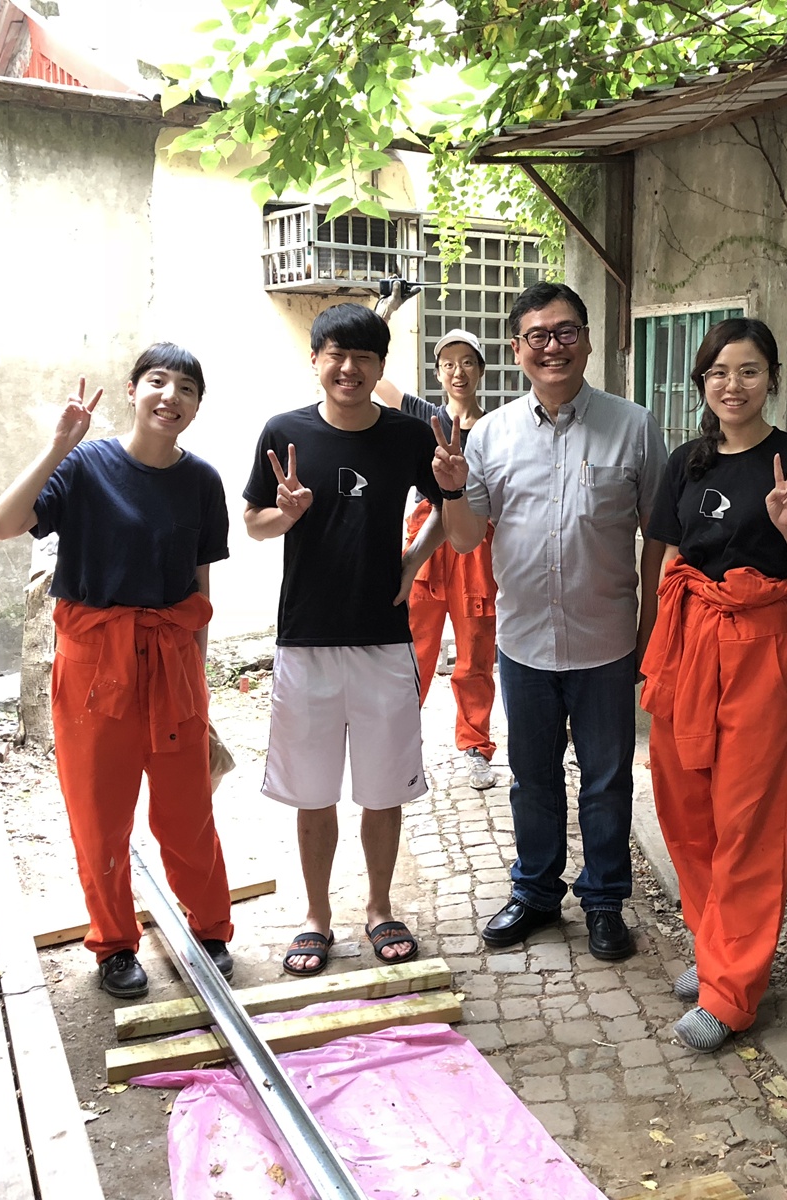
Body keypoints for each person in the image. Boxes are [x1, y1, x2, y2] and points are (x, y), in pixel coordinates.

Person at [0, 344, 235, 999]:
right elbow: (2, 524)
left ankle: (210, 929)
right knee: (100, 818)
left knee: (186, 813)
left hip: (173, 662)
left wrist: (199, 683)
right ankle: (115, 945)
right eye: (158, 381)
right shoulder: (85, 465)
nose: (170, 396)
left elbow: (199, 591)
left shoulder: (203, 482)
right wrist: (58, 445)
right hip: (96, 666)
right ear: (132, 389)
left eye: (186, 388)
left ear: (196, 406)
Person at [439, 282, 666, 962]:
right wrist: (451, 489)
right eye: (537, 336)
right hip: (525, 643)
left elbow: (659, 536)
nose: (553, 347)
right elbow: (464, 537)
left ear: (587, 341)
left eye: (566, 332)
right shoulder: (492, 434)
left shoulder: (634, 426)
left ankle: (604, 901)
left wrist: (652, 630)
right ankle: (536, 892)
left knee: (606, 780)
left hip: (606, 641)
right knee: (532, 777)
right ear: (517, 350)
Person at [639, 318, 787, 1051]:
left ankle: (732, 992)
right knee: (685, 804)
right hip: (688, 639)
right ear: (703, 383)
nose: (733, 385)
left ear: (771, 378)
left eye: (749, 370)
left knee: (747, 812)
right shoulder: (686, 461)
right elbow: (667, 554)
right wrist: (651, 648)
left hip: (760, 643)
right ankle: (712, 944)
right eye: (719, 372)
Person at [244, 303, 451, 977]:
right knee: (313, 792)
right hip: (305, 638)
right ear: (316, 360)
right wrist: (286, 514)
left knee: (383, 788)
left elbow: (449, 509)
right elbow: (253, 523)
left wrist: (412, 562)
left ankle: (380, 907)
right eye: (336, 354)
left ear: (380, 366)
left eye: (364, 356)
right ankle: (316, 916)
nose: (349, 368)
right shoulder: (284, 432)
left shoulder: (407, 435)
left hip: (383, 639)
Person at [372, 329, 500, 790]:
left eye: (467, 362)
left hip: (476, 540)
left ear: (480, 370)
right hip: (427, 536)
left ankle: (475, 746)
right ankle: (400, 744)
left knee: (476, 650)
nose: (457, 372)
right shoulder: (423, 416)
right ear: (438, 372)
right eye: (448, 364)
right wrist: (382, 315)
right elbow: (377, 382)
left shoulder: (497, 427)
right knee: (414, 647)